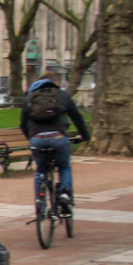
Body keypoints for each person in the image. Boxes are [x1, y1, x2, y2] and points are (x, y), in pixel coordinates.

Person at [22, 70, 91, 209]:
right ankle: (64, 194)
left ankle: (40, 204)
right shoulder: (62, 95)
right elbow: (77, 118)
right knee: (64, 167)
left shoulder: (29, 97)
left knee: (41, 170)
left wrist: (31, 138)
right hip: (58, 137)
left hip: (37, 139)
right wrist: (84, 136)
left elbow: (23, 124)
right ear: (55, 82)